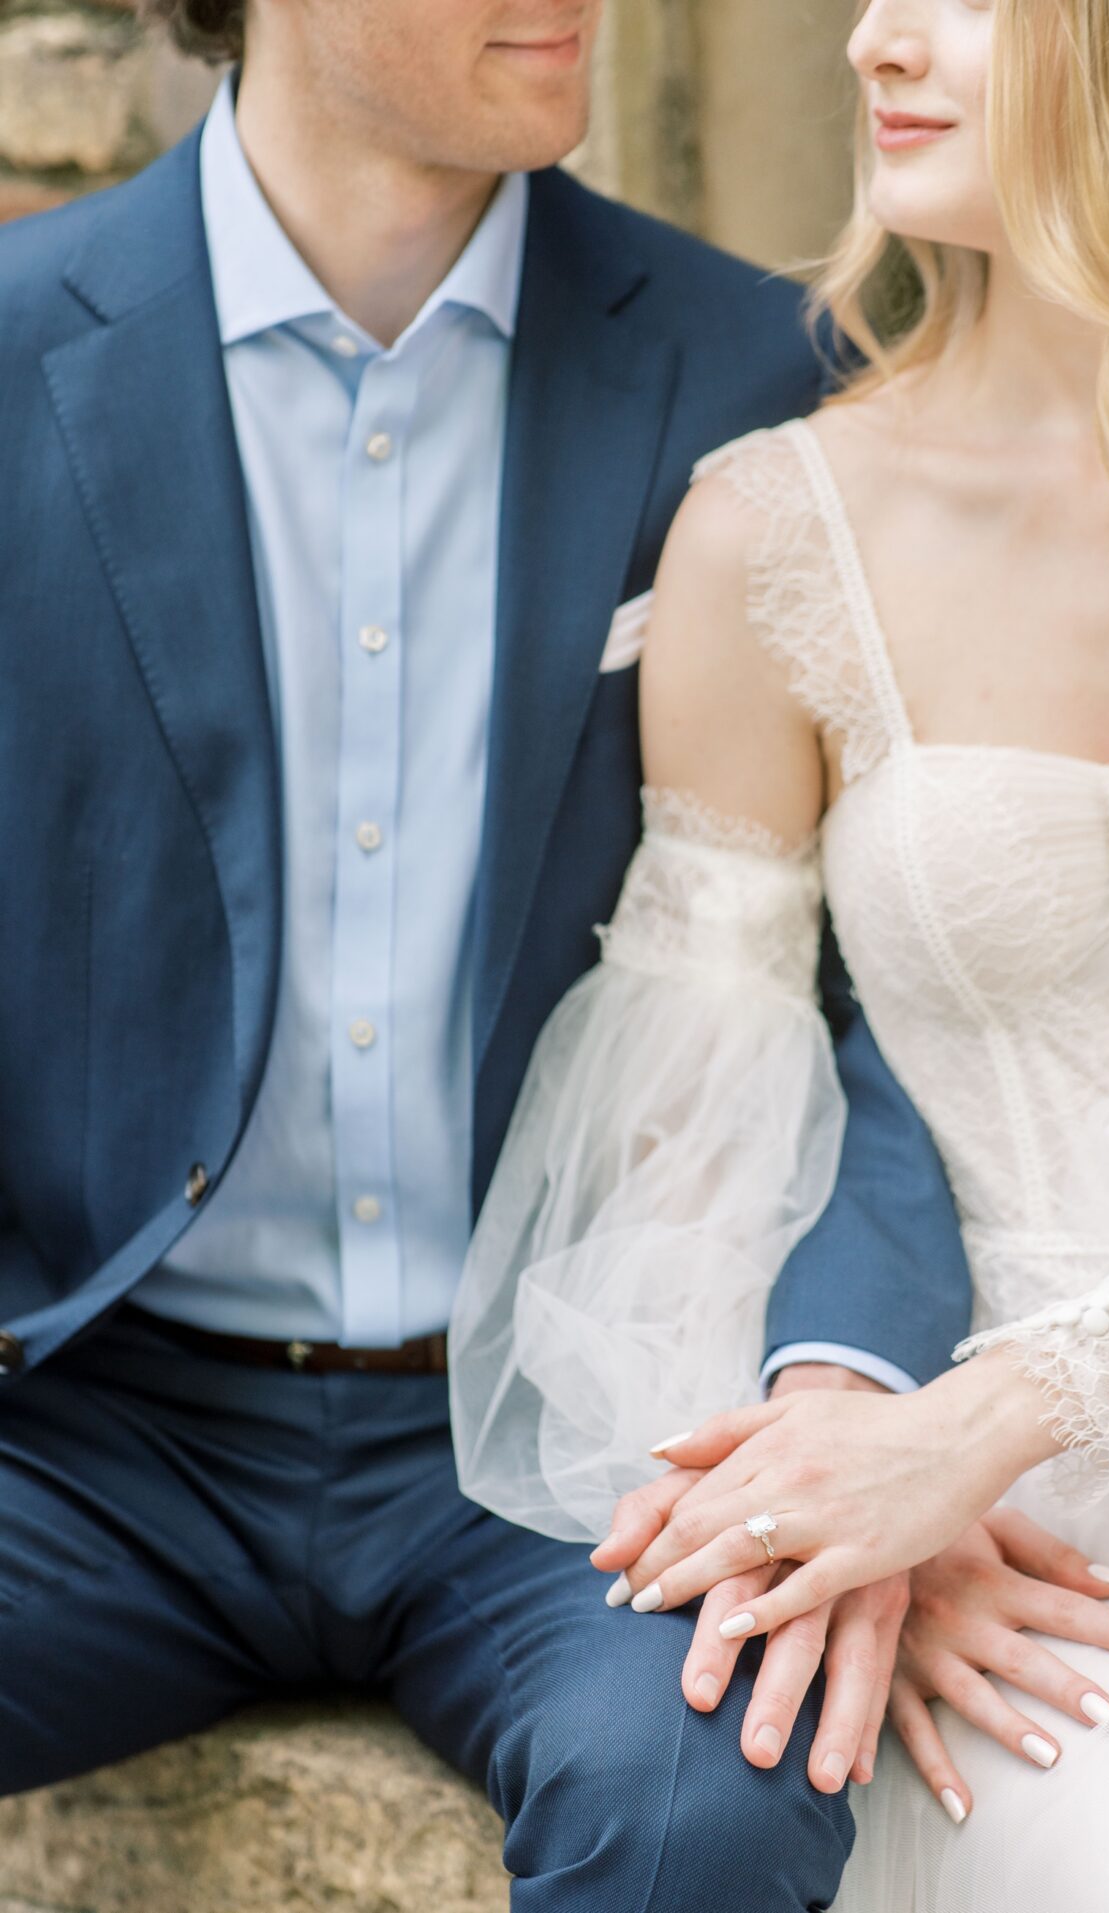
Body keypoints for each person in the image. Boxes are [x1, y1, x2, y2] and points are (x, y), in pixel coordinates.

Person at [0, 1, 974, 1902]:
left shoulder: (773, 375)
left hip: (593, 1425)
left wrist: (838, 1377)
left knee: (704, 1792)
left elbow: (916, 972)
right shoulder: (16, 353)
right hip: (94, 1431)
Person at [446, 0, 1109, 1905]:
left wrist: (993, 1422)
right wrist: (843, 1477)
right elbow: (675, 1161)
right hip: (997, 1563)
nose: (875, 39)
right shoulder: (771, 534)